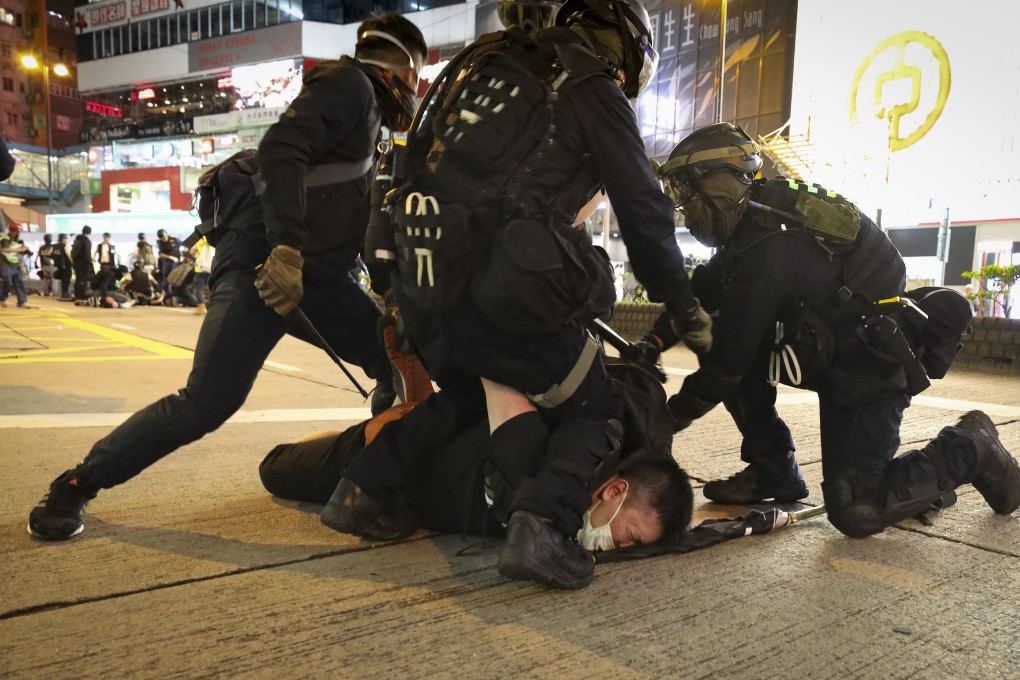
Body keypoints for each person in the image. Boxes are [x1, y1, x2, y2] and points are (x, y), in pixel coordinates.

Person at [323, 0, 711, 590]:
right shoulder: (588, 84)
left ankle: (360, 491)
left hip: (427, 290)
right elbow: (644, 206)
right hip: (505, 294)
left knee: (467, 395)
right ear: (623, 47)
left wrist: (397, 292)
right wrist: (683, 306)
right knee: (597, 407)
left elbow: (404, 170)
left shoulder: (475, 68)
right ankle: (543, 528)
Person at [27, 12, 429, 542]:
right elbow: (280, 149)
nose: (416, 91)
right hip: (264, 268)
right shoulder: (348, 85)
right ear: (402, 69)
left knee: (392, 352)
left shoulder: (371, 119)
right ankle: (77, 483)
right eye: (417, 78)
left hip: (320, 279)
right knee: (207, 403)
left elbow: (341, 216)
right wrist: (284, 250)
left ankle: (369, 484)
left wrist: (382, 292)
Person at [648, 122, 1020, 538]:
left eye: (686, 193)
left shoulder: (770, 247)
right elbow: (700, 294)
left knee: (858, 509)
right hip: (831, 353)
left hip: (869, 366)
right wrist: (654, 341)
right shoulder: (755, 222)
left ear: (717, 184)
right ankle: (774, 471)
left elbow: (727, 365)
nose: (682, 206)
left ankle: (973, 447)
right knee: (722, 334)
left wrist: (664, 423)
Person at [260, 404, 692, 552]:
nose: (619, 548)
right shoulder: (556, 459)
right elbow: (474, 396)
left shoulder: (571, 511)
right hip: (380, 459)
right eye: (629, 535)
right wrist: (385, 448)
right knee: (274, 469)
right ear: (615, 491)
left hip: (418, 494)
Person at [0, 222, 30, 308]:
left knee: (19, 282)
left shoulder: (20, 241)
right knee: (8, 282)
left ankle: (22, 302)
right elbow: (5, 249)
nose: (17, 233)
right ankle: (2, 299)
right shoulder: (5, 239)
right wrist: (19, 249)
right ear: (12, 231)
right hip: (6, 264)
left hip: (16, 264)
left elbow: (21, 252)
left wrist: (25, 251)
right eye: (15, 231)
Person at [155, 229, 180, 304]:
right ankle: (168, 298)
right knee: (166, 282)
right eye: (162, 238)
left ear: (166, 234)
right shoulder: (160, 242)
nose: (164, 239)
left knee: (176, 281)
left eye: (164, 237)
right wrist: (170, 257)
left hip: (177, 264)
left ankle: (176, 299)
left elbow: (185, 245)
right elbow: (161, 254)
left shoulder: (175, 240)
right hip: (167, 264)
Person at [190, 236, 215, 315]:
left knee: (199, 288)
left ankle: (201, 307)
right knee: (212, 287)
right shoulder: (214, 239)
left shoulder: (201, 239)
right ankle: (214, 306)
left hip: (201, 268)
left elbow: (192, 251)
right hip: (212, 267)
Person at [71, 225, 94, 301]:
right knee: (83, 280)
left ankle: (76, 295)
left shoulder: (77, 239)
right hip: (84, 264)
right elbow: (87, 254)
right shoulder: (87, 241)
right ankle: (81, 296)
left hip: (76, 263)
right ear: (89, 233)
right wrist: (90, 264)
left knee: (77, 279)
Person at [52, 234, 73, 300]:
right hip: (66, 265)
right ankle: (65, 293)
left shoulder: (54, 246)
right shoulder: (66, 246)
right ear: (63, 239)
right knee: (66, 279)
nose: (67, 240)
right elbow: (69, 255)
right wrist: (73, 262)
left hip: (58, 265)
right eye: (66, 238)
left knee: (63, 279)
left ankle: (63, 292)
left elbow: (48, 253)